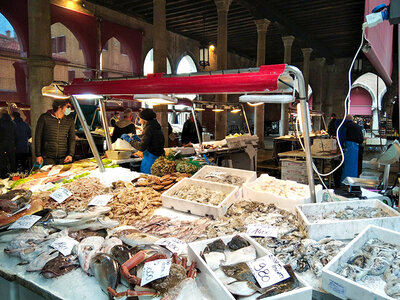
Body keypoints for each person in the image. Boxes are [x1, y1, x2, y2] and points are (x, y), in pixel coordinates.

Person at [121, 108, 164, 174]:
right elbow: (151, 142)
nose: (140, 120)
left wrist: (129, 140)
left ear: (144, 119)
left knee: (148, 180)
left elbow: (141, 147)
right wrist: (138, 139)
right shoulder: (156, 126)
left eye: (140, 118)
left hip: (150, 161)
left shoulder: (148, 128)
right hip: (157, 158)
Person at [35, 99, 76, 165]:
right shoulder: (44, 118)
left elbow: (72, 138)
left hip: (64, 158)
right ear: (60, 107)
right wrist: (38, 155)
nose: (69, 109)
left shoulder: (69, 120)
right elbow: (38, 137)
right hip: (47, 158)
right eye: (67, 107)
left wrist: (71, 154)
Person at [338, 115, 364, 183]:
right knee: (354, 167)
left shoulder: (345, 125)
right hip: (357, 147)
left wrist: (339, 147)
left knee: (348, 167)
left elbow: (341, 137)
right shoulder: (355, 125)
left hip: (351, 147)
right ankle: (352, 182)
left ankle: (345, 183)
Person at [0, 108, 16, 178]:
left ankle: (3, 176)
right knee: (12, 160)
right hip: (11, 144)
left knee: (2, 161)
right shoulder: (13, 123)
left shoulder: (0, 122)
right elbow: (15, 134)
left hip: (2, 144)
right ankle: (14, 175)